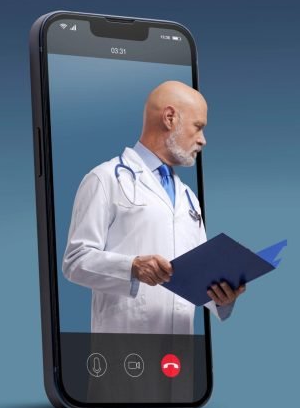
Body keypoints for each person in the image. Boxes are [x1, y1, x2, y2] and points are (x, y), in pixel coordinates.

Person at [62, 80, 245, 334]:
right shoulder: (105, 178)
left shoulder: (188, 197)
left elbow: (198, 278)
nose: (203, 140)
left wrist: (222, 297)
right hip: (124, 350)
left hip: (179, 354)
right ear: (169, 118)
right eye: (198, 127)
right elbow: (75, 261)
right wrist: (133, 267)